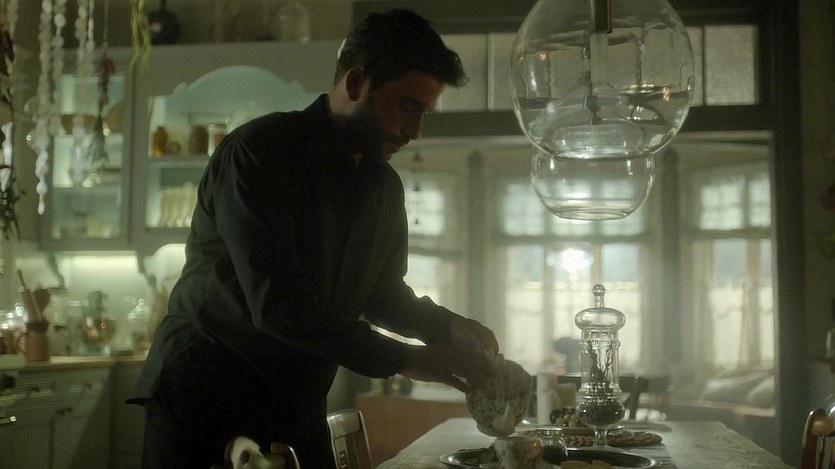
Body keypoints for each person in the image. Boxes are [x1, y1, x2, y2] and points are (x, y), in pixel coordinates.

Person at [129, 9, 500, 469]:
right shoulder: (259, 154)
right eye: (408, 107)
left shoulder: (384, 187)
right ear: (356, 83)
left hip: (295, 402)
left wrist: (447, 329)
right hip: (206, 402)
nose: (416, 131)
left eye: (424, 113)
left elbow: (380, 295)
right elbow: (279, 305)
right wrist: (407, 359)